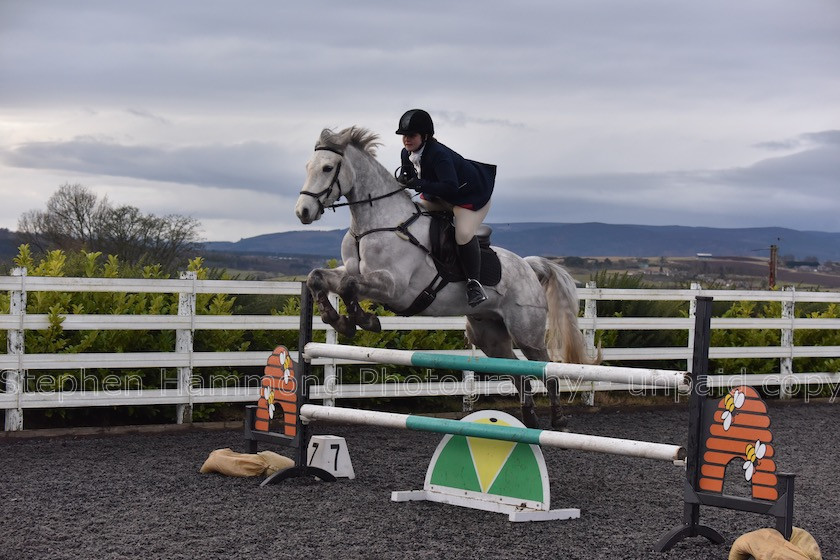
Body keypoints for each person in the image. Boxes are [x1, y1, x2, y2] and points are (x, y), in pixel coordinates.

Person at [395, 109, 497, 307]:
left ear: (424, 136)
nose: (407, 140)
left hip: (470, 198)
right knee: (411, 212)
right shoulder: (406, 153)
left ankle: (474, 284)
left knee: (463, 234)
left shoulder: (439, 154)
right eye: (404, 136)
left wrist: (418, 183)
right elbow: (412, 179)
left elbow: (450, 186)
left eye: (411, 135)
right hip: (440, 196)